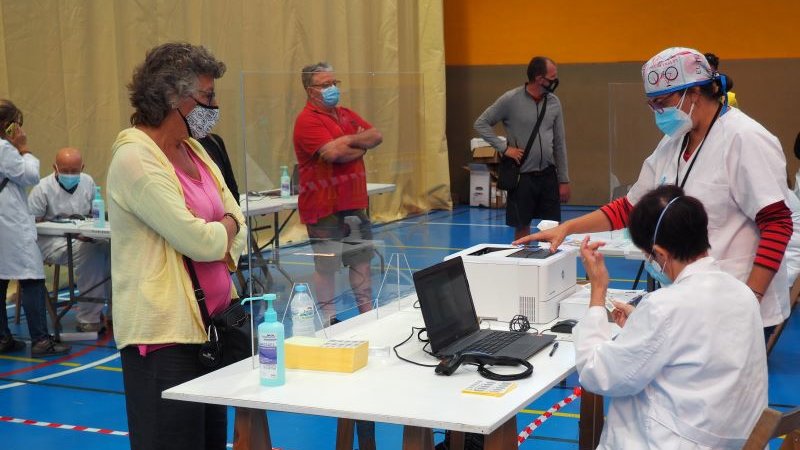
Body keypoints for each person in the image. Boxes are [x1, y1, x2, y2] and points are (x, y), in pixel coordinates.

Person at [517, 47, 793, 338]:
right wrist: (567, 228)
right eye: (652, 105)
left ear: (694, 93)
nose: (658, 112)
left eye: (662, 102)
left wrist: (751, 297)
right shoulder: (673, 142)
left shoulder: (744, 139)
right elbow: (630, 207)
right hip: (690, 301)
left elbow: (777, 222)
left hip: (736, 302)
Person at [107, 42, 247, 450]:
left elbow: (236, 214)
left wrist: (221, 232)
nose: (214, 105)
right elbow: (198, 241)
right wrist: (221, 232)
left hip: (213, 330)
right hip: (165, 340)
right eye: (206, 96)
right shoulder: (136, 158)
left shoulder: (195, 148)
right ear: (173, 97)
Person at [575, 185, 767, 449]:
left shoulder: (665, 307)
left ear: (661, 254)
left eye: (649, 256)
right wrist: (640, 324)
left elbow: (596, 373)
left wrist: (598, 292)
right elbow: (699, 347)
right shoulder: (743, 294)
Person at [292, 62, 383, 325]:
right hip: (323, 207)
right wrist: (357, 144)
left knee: (361, 260)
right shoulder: (306, 121)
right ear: (311, 91)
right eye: (325, 84)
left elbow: (375, 135)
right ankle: (330, 319)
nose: (332, 88)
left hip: (353, 204)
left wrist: (348, 142)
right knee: (327, 267)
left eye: (335, 83)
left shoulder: (345, 114)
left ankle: (367, 314)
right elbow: (332, 154)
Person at [0, 99, 71, 357]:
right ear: (8, 127)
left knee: (0, 279)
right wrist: (24, 149)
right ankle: (41, 340)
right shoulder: (4, 149)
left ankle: (3, 337)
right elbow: (29, 176)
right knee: (31, 277)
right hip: (10, 224)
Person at [474, 56, 571, 240]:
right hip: (522, 178)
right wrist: (504, 148)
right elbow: (481, 123)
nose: (555, 81)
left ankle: (548, 264)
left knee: (552, 229)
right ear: (539, 78)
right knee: (521, 229)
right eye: (552, 77)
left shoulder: (554, 103)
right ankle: (523, 264)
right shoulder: (510, 100)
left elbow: (559, 143)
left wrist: (563, 180)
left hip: (548, 176)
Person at [28, 147, 111, 332]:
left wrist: (89, 233)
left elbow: (92, 215)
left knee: (111, 249)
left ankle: (114, 312)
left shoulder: (88, 182)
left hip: (83, 239)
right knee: (91, 253)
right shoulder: (42, 188)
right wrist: (72, 233)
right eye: (65, 170)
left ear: (82, 167)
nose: (70, 174)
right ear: (55, 167)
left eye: (75, 171)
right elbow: (31, 223)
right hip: (49, 241)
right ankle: (88, 318)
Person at [198, 133, 240, 202]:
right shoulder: (183, 148)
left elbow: (231, 184)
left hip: (227, 207)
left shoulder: (215, 140)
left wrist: (235, 211)